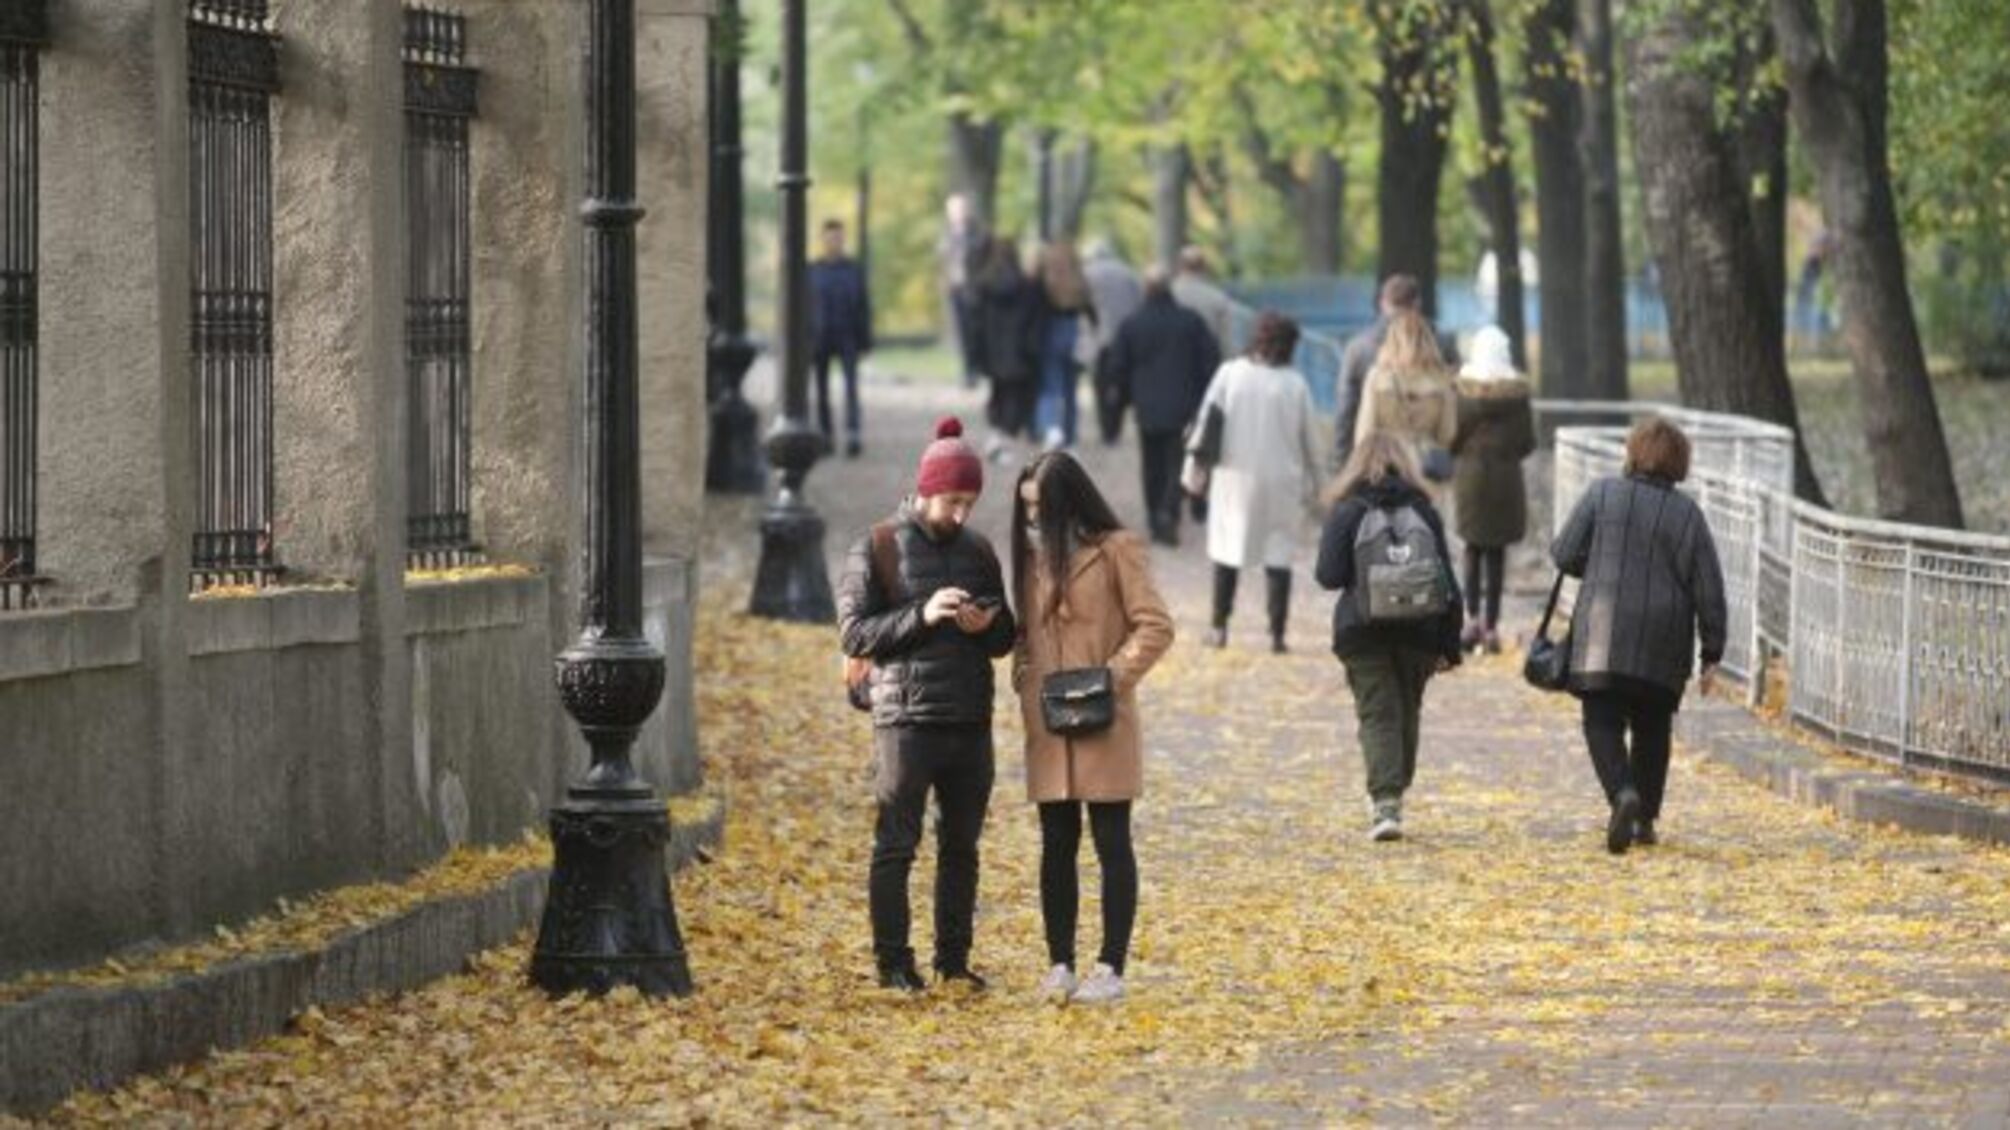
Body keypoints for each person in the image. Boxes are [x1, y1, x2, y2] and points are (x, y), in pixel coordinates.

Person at [837, 417, 1018, 991]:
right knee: (897, 844)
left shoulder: (981, 550)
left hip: (970, 721)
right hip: (905, 724)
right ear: (925, 489)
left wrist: (985, 624)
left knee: (961, 848)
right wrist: (923, 614)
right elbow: (854, 634)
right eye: (952, 500)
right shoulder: (878, 545)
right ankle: (894, 964)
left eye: (970, 502)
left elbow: (1004, 640)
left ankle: (953, 961)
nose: (961, 513)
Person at [1009, 452, 1174, 1005]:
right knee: (1056, 842)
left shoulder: (1115, 551)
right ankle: (1060, 963)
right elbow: (1026, 634)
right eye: (1025, 509)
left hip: (1103, 715)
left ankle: (1111, 965)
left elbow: (1154, 625)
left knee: (1110, 839)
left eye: (1041, 509)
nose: (1032, 520)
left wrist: (1110, 678)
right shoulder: (1032, 559)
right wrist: (1024, 679)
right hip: (1049, 720)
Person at [1551, 417, 1727, 855]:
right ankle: (1644, 818)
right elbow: (1709, 585)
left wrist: (1600, 562)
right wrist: (1712, 649)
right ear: (1678, 463)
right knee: (1653, 729)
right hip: (1663, 646)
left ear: (1632, 453)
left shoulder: (1601, 494)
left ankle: (1621, 793)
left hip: (1601, 637)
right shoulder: (1688, 515)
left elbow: (1564, 553)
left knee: (1601, 721)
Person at [1313, 431, 1464, 842]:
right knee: (1406, 710)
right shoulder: (1424, 509)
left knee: (1378, 712)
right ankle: (1393, 790)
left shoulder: (1348, 510)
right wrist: (1450, 645)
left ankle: (1386, 801)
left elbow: (1328, 576)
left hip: (1362, 630)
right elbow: (1447, 580)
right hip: (1420, 628)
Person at [1192, 312, 1321, 653]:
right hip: (1282, 482)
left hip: (1234, 477)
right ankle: (1277, 635)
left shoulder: (1229, 374)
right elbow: (1312, 442)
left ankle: (1219, 627)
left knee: (1227, 551)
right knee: (1278, 556)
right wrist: (1321, 485)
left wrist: (1193, 473)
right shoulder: (1295, 385)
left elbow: (1206, 425)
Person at [1102, 266, 1220, 545]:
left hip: (1146, 406)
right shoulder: (1190, 321)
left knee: (1151, 463)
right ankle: (1170, 510)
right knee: (1176, 462)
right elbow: (1210, 359)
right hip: (1183, 404)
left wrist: (1122, 397)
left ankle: (1155, 514)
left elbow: (1117, 366)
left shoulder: (1132, 324)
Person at [1450, 325, 1537, 654]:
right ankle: (1491, 626)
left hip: (1470, 478)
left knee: (1471, 548)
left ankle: (1470, 620)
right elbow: (1527, 443)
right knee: (1497, 553)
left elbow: (1451, 438)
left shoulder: (1462, 392)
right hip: (1505, 480)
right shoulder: (1518, 395)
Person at [1334, 274, 1456, 469]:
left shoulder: (1358, 348)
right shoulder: (1443, 344)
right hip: (1429, 462)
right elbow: (1453, 410)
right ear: (1417, 303)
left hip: (1379, 460)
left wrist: (1342, 463)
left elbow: (1346, 411)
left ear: (1383, 302)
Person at [1353, 309, 1457, 483]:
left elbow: (1364, 433)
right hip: (1427, 470)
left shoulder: (1377, 377)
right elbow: (1447, 433)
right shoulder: (1441, 380)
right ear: (1427, 339)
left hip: (1387, 466)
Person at [967, 235, 1041, 462]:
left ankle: (995, 436)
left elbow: (975, 323)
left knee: (998, 394)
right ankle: (1002, 440)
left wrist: (976, 353)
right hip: (1018, 350)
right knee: (1014, 398)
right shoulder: (1026, 286)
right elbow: (1033, 320)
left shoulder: (983, 286)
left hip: (992, 351)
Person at [809, 218, 873, 457]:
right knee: (821, 389)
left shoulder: (854, 269)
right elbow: (804, 307)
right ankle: (825, 435)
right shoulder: (812, 270)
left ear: (843, 239)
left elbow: (864, 306)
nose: (834, 241)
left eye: (838, 237)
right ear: (823, 240)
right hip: (820, 337)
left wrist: (866, 341)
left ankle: (853, 434)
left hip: (848, 336)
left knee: (851, 388)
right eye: (830, 237)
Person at [1031, 241, 1097, 450]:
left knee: (1049, 385)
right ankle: (1070, 436)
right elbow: (1089, 307)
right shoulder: (1078, 279)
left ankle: (1051, 428)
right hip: (1073, 332)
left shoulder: (1044, 279)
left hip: (1051, 332)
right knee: (1070, 389)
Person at [1080, 240, 1145, 445]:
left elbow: (1082, 306)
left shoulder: (1087, 274)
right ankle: (1115, 426)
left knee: (1100, 384)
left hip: (1100, 338)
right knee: (1120, 382)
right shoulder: (1129, 273)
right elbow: (1139, 303)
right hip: (1125, 337)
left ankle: (1106, 428)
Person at [939, 193, 987, 388]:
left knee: (975, 329)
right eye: (952, 210)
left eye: (959, 209)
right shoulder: (947, 234)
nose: (956, 214)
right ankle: (968, 370)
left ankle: (976, 368)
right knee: (962, 331)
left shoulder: (977, 233)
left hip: (974, 289)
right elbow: (943, 259)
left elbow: (981, 257)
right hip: (955, 288)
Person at [1170, 246, 1235, 358]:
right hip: (1208, 364)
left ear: (1179, 266)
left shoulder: (1168, 295)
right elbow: (1225, 341)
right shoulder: (1217, 298)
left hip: (1175, 363)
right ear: (1204, 267)